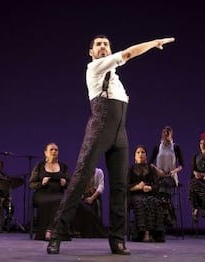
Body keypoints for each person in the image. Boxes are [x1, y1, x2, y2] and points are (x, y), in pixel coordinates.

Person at [46, 34, 175, 255]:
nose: (103, 47)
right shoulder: (94, 67)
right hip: (100, 128)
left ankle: (117, 240)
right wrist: (154, 44)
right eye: (98, 45)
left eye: (106, 44)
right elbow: (128, 53)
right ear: (92, 52)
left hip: (120, 133)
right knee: (80, 178)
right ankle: (56, 233)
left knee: (119, 187)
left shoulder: (115, 78)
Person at [29, 143, 70, 241]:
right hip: (42, 194)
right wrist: (42, 183)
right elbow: (31, 184)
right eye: (51, 149)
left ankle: (51, 230)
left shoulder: (63, 166)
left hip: (58, 193)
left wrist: (65, 183)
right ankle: (48, 231)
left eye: (56, 150)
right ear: (45, 153)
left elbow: (70, 184)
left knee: (60, 200)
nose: (54, 152)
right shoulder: (40, 166)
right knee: (48, 201)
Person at [128, 145, 164, 242]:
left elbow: (157, 185)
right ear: (134, 156)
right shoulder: (130, 169)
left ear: (146, 156)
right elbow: (126, 186)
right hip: (135, 195)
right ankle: (143, 233)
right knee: (141, 203)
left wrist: (150, 187)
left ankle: (154, 234)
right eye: (138, 152)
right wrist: (137, 187)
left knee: (154, 202)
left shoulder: (151, 169)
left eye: (143, 152)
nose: (140, 154)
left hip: (149, 194)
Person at [150, 126, 184, 227]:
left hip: (171, 177)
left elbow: (182, 164)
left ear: (171, 135)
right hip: (160, 176)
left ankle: (165, 211)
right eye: (164, 133)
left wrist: (174, 171)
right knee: (161, 183)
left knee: (164, 183)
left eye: (168, 134)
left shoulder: (175, 147)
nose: (166, 135)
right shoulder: (157, 147)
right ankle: (169, 212)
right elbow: (150, 163)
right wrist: (158, 170)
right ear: (162, 134)